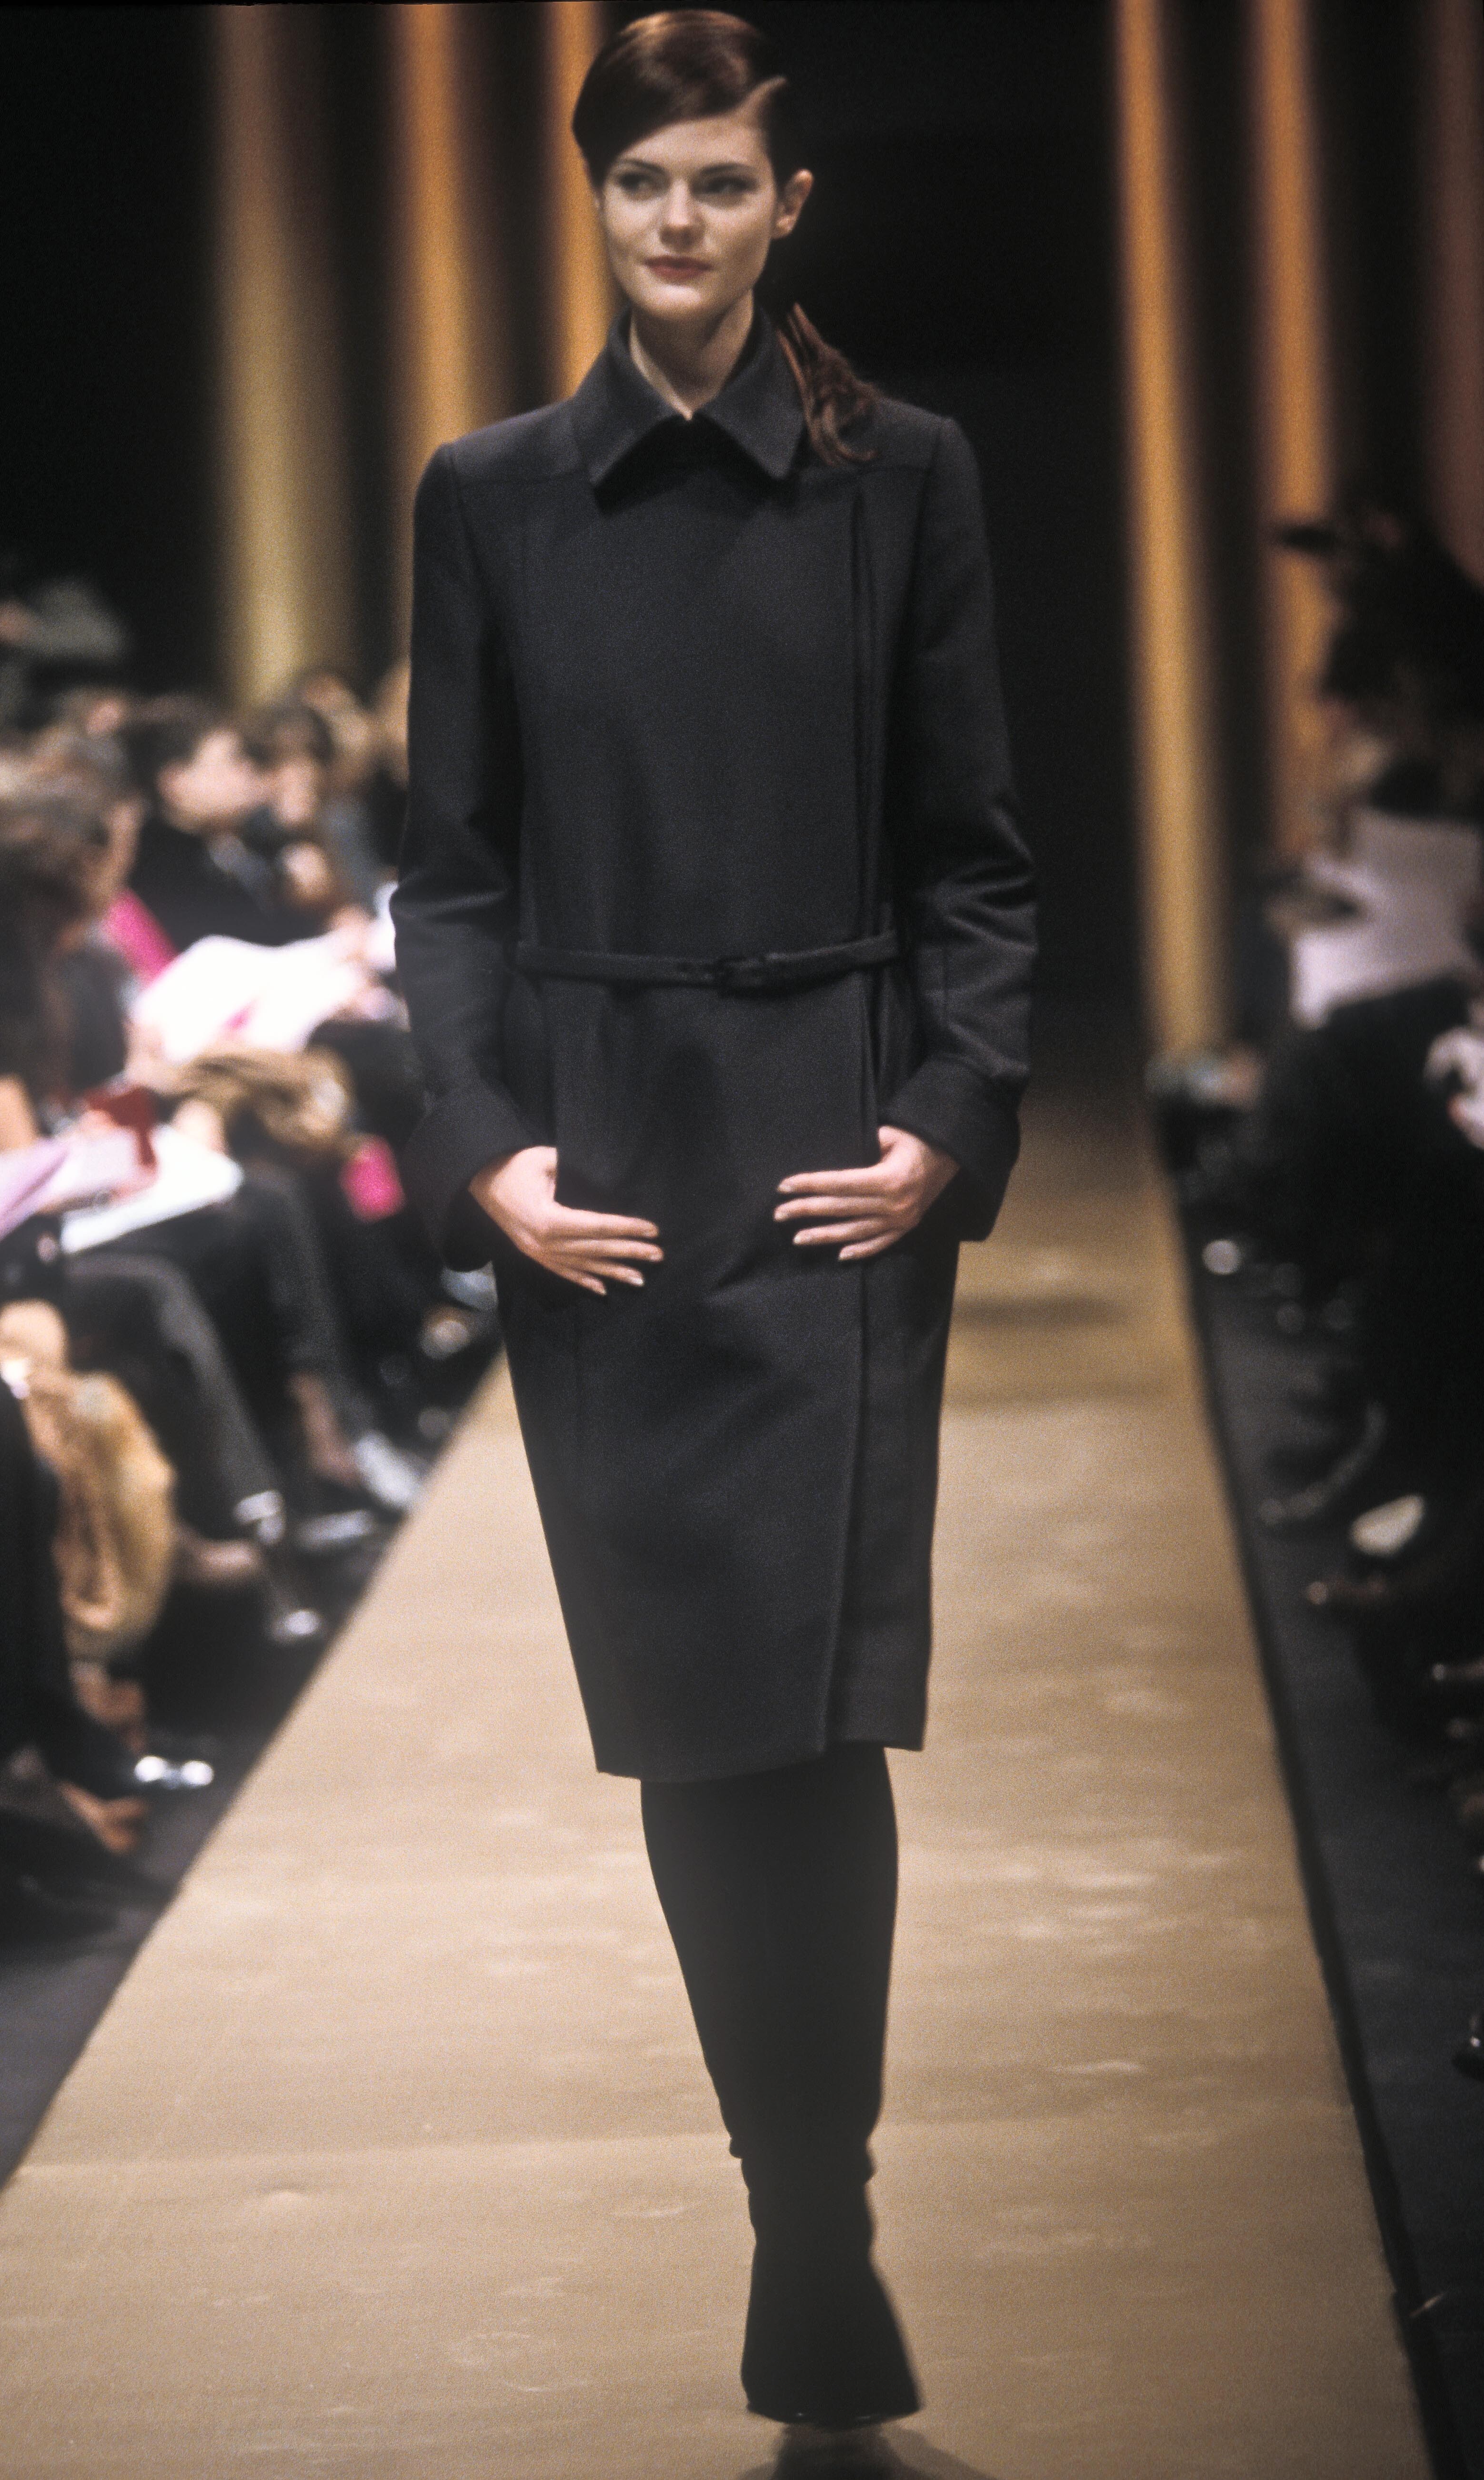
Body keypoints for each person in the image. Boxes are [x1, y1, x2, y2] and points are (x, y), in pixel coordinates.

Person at [391, 14, 1034, 2474]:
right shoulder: (488, 496)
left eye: (720, 181)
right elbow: (450, 872)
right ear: (593, 201)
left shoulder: (906, 477)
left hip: (829, 1164)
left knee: (811, 1711)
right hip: (604, 1185)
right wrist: (483, 1148)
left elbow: (974, 855)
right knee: (695, 1709)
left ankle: (812, 2212)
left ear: (788, 207)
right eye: (641, 179)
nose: (678, 218)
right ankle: (796, 2190)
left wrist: (944, 1122)